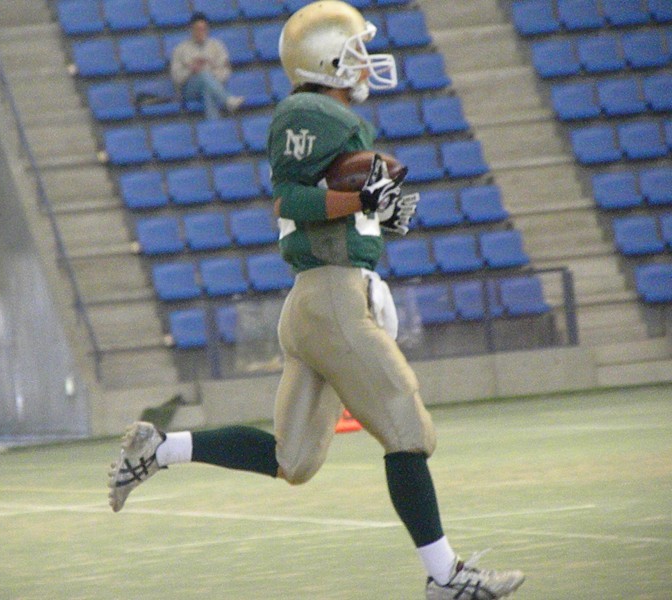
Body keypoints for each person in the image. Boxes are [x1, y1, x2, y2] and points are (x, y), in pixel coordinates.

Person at [109, 2, 525, 598]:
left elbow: (328, 202)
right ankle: (446, 578)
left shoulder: (332, 117)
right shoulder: (308, 111)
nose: (365, 61)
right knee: (407, 429)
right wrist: (361, 203)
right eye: (354, 51)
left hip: (318, 301)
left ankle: (160, 449)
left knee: (293, 460)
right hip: (330, 298)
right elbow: (292, 201)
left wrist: (373, 216)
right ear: (325, 60)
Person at [170, 12, 244, 121]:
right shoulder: (180, 49)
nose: (201, 32)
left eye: (203, 29)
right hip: (189, 90)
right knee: (203, 75)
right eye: (197, 29)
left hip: (214, 85)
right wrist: (191, 70)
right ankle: (227, 99)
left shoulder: (217, 46)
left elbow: (226, 71)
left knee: (208, 90)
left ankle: (214, 125)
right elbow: (176, 77)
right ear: (191, 29)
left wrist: (211, 74)